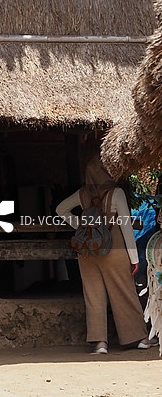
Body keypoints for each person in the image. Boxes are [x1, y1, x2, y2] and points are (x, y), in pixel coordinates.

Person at [56, 150, 151, 353]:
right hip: (114, 249)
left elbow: (60, 209)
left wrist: (81, 226)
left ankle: (100, 343)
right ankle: (139, 338)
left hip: (88, 251)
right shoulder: (115, 193)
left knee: (93, 296)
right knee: (124, 293)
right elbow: (125, 226)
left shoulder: (83, 193)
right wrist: (134, 258)